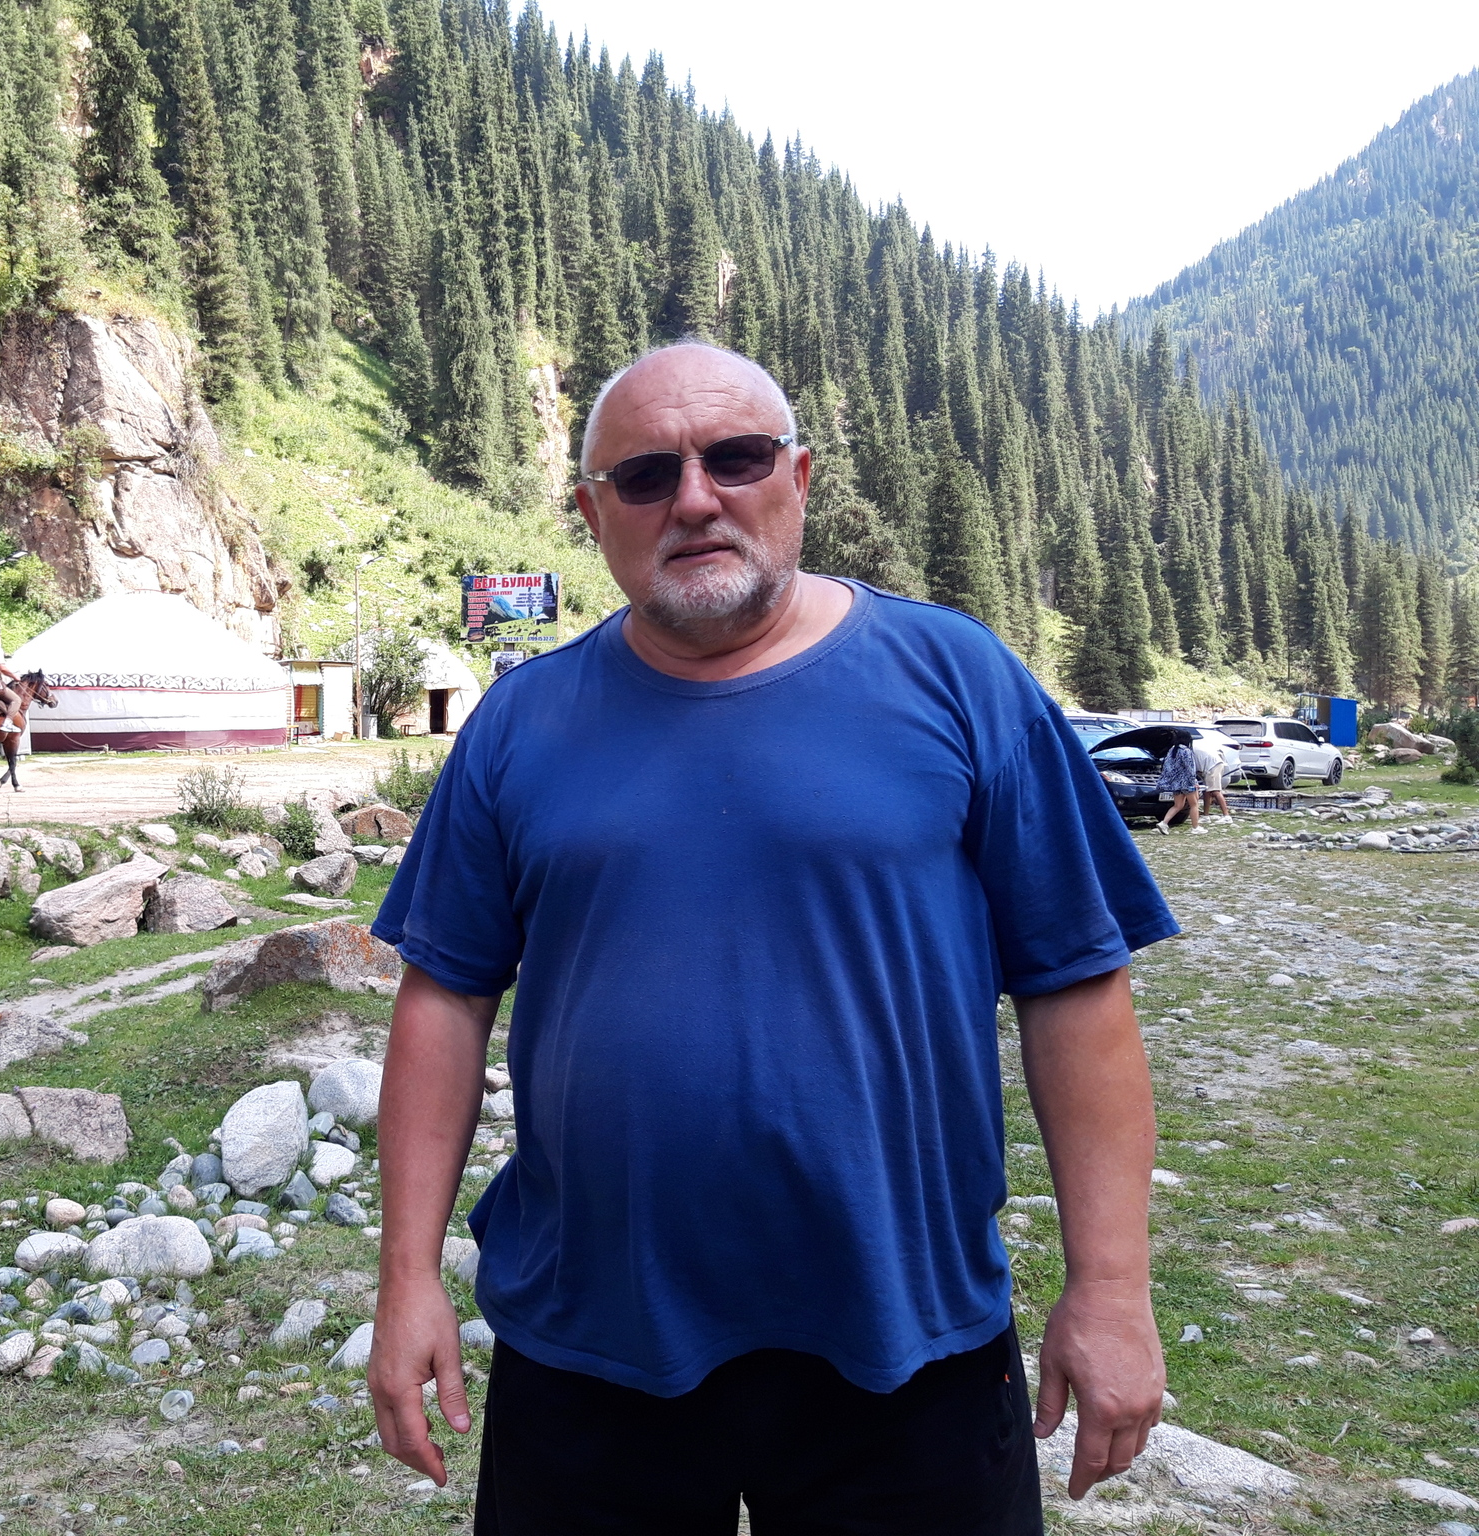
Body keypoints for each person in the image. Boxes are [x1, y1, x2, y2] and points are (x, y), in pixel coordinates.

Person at [368, 341, 1178, 1536]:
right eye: (644, 477)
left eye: (734, 458)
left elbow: (1074, 990)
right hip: (590, 1338)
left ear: (796, 476)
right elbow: (442, 1001)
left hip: (904, 1336)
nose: (694, 498)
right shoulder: (519, 723)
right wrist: (406, 1283)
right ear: (594, 515)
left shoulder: (958, 677)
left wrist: (1110, 1291)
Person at [1156, 729, 1202, 834]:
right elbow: (1190, 769)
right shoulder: (1186, 751)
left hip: (1176, 783)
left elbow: (1167, 767)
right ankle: (1195, 827)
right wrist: (1194, 782)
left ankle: (1164, 823)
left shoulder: (1172, 750)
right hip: (1187, 782)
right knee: (1194, 804)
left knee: (1178, 805)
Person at [1194, 734, 1232, 821]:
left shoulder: (1188, 750)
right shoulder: (1194, 747)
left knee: (1215, 791)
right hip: (1214, 765)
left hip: (1212, 766)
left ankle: (1226, 816)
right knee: (1207, 791)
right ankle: (1206, 815)